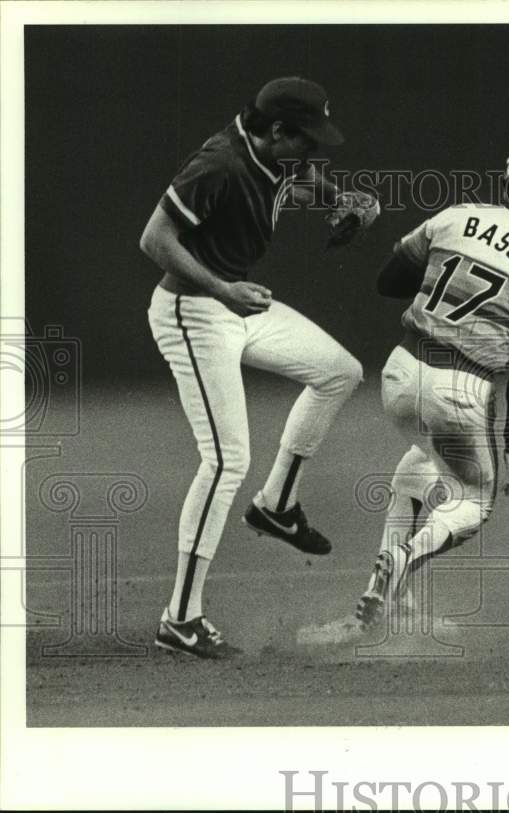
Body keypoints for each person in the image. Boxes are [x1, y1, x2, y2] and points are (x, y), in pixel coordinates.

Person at [298, 137, 509, 646]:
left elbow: (389, 281)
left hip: (401, 373)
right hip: (462, 387)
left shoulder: (458, 215)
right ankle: (399, 564)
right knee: (476, 500)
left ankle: (389, 611)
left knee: (415, 470)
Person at [141, 77, 377, 658]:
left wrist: (342, 202)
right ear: (277, 130)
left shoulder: (269, 153)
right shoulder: (219, 164)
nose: (313, 150)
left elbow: (296, 182)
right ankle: (181, 618)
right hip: (193, 311)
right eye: (307, 139)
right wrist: (223, 289)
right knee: (225, 460)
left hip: (235, 306)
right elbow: (154, 239)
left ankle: (276, 505)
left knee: (339, 371)